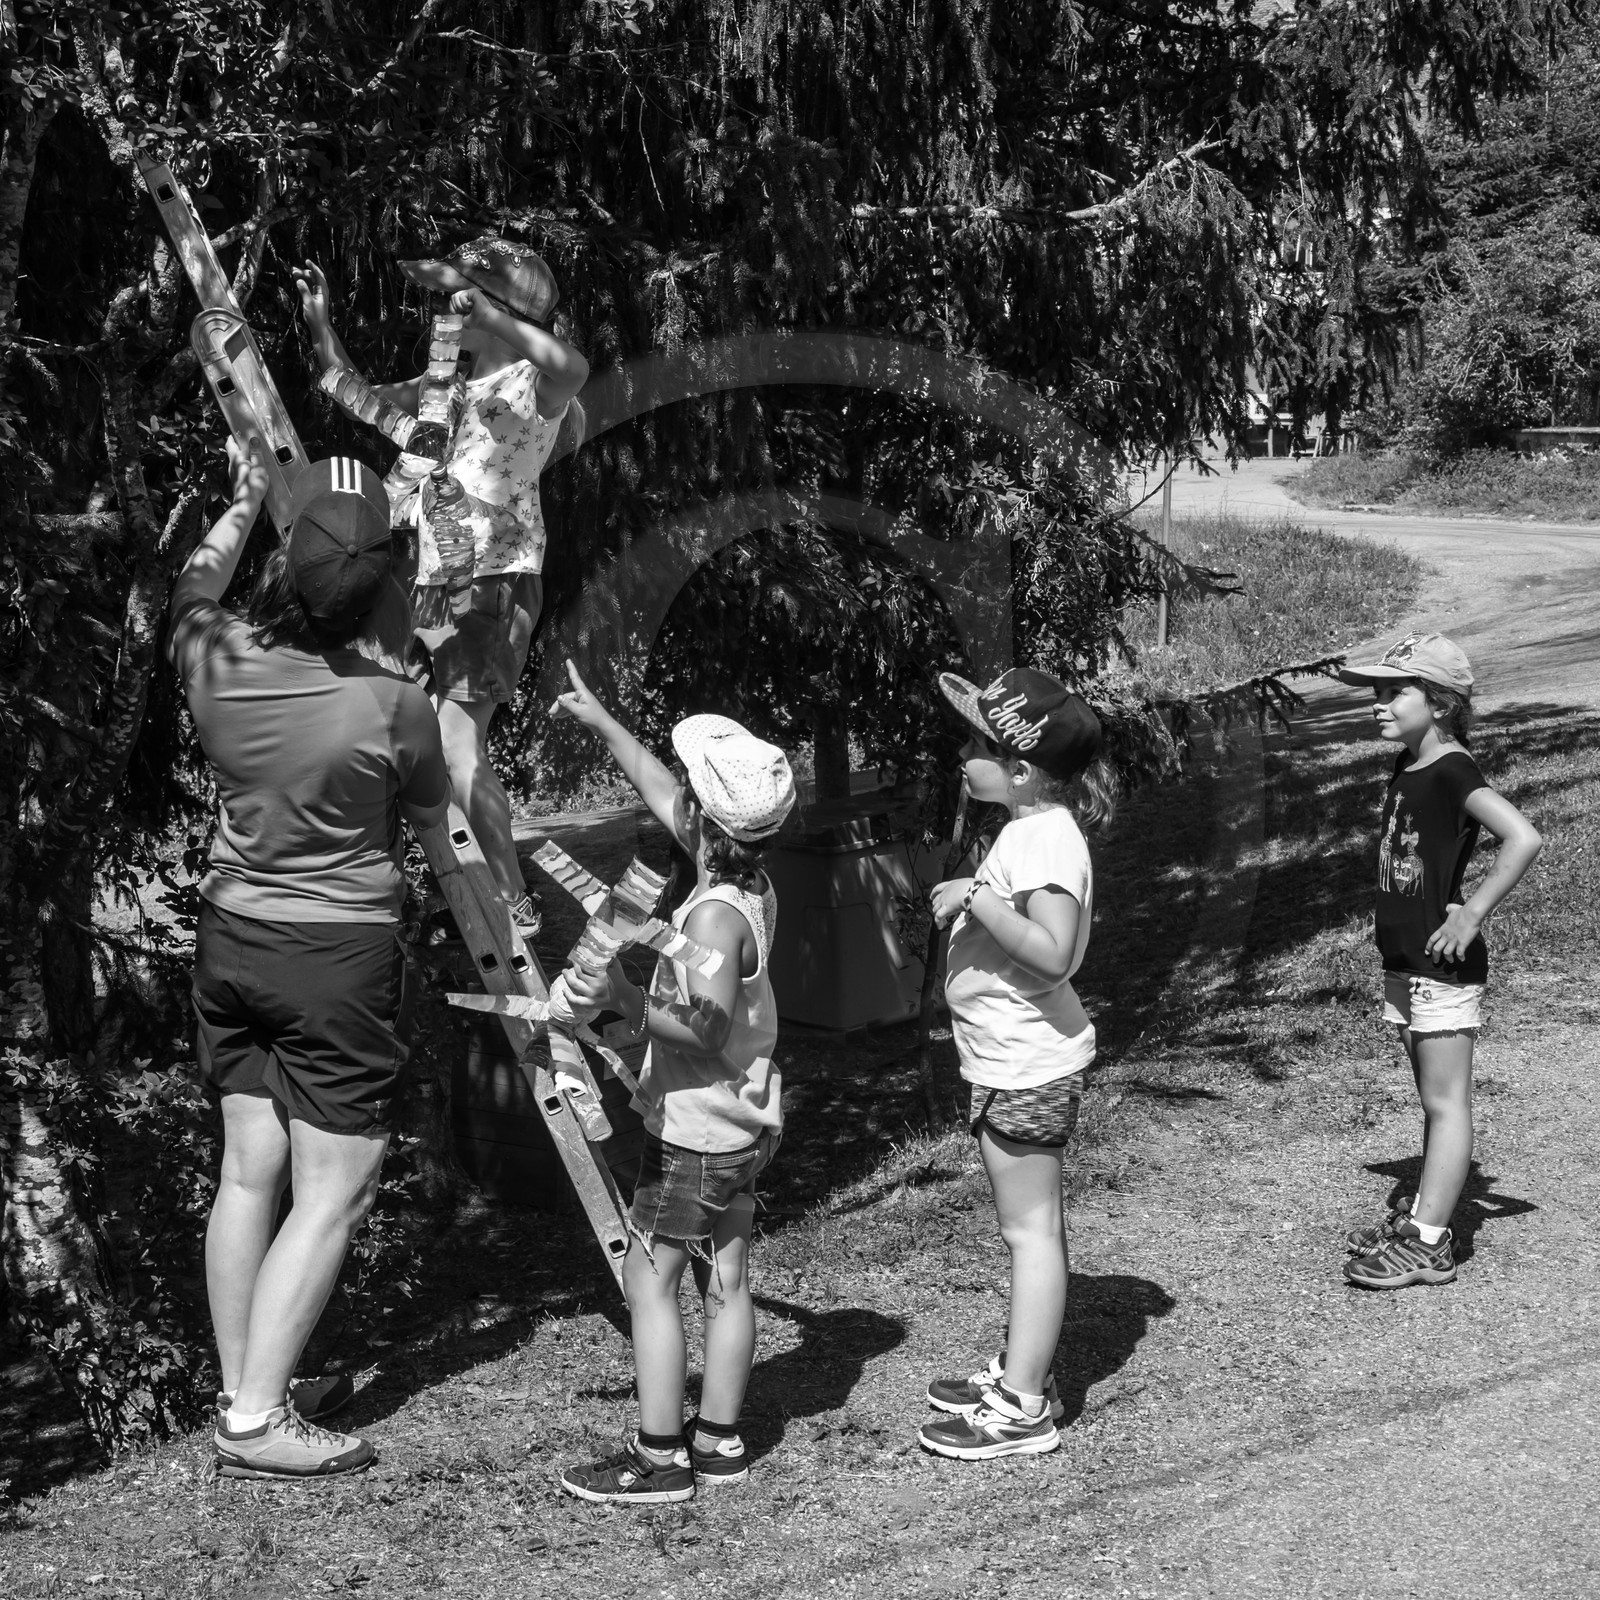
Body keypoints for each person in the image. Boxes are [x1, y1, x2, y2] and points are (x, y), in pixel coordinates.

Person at [169, 441, 452, 1478]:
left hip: (231, 936)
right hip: (336, 957)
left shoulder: (213, 658)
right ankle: (254, 1420)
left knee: (249, 1168)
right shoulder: (392, 707)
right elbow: (431, 825)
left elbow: (193, 581)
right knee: (339, 1183)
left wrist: (245, 492)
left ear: (284, 567)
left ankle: (248, 1382)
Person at [547, 660, 796, 1504]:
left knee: (647, 1282)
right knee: (726, 1278)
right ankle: (720, 1440)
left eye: (684, 790)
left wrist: (620, 996)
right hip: (740, 1123)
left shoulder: (716, 917)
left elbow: (707, 1028)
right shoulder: (743, 879)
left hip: (696, 1131)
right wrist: (603, 722)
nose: (672, 795)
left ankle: (660, 1458)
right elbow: (663, 786)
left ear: (700, 815)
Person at [294, 239, 589, 932]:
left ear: (495, 311)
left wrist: (491, 309)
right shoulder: (444, 392)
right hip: (433, 584)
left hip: (492, 583)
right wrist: (318, 322)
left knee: (457, 741)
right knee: (412, 738)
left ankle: (515, 901)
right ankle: (452, 879)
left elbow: (572, 363)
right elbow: (349, 391)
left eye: (459, 301)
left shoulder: (528, 385)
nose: (444, 314)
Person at [919, 666, 1115, 1461]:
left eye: (978, 745)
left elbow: (1055, 955)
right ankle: (1021, 1371)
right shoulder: (1028, 829)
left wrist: (976, 898)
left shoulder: (1045, 841)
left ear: (1023, 769)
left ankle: (1025, 1406)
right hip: (1008, 1060)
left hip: (1027, 1066)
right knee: (1026, 1228)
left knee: (1031, 1233)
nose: (964, 756)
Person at [1336, 634, 1541, 1289]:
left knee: (1447, 1104)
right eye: (1375, 692)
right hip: (1405, 960)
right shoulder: (1407, 764)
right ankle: (1425, 1215)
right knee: (1433, 1101)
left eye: (1395, 691)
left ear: (1443, 702)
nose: (1378, 704)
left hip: (1441, 966)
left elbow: (1523, 836)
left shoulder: (1453, 769)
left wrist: (1472, 912)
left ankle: (1429, 1242)